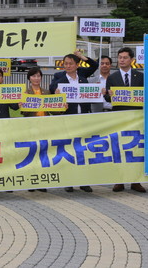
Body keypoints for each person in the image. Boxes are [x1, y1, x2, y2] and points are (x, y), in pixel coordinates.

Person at [49, 51, 98, 193]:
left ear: (77, 65)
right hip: (68, 118)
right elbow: (52, 89)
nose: (68, 66)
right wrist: (56, 92)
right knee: (69, 150)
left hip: (83, 117)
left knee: (83, 149)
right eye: (66, 64)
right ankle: (69, 181)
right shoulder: (59, 77)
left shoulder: (82, 77)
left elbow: (94, 65)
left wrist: (82, 57)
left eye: (71, 63)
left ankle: (83, 181)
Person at [105, 47, 146, 193]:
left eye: (125, 57)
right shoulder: (112, 77)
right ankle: (119, 180)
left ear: (132, 60)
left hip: (136, 118)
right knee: (119, 149)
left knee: (136, 149)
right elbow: (107, 98)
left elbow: (145, 95)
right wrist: (108, 94)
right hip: (119, 118)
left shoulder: (140, 76)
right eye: (120, 57)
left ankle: (136, 181)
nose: (122, 60)